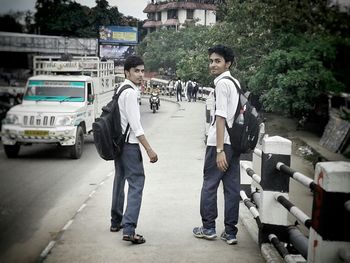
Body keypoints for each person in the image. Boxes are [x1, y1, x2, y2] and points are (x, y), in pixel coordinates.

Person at [193, 44, 241, 245]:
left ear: (227, 63)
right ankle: (230, 233)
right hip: (235, 145)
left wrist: (219, 149)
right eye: (211, 61)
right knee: (231, 189)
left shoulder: (221, 84)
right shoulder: (235, 82)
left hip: (219, 144)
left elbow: (221, 117)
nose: (213, 64)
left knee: (210, 185)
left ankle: (209, 228)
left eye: (217, 61)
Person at [110, 55, 158, 245]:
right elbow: (136, 126)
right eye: (136, 71)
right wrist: (149, 149)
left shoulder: (120, 88)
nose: (140, 74)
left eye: (142, 70)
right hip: (129, 145)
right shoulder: (130, 92)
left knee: (119, 180)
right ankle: (129, 229)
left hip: (118, 144)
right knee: (137, 184)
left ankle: (116, 221)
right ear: (127, 72)